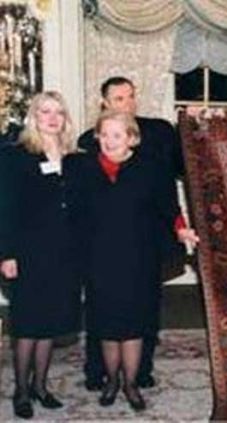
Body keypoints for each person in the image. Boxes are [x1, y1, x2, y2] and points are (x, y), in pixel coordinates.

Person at [72, 110, 198, 410]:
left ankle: (130, 383)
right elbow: (73, 212)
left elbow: (169, 206)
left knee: (134, 323)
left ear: (131, 138)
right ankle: (111, 381)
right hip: (99, 260)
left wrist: (182, 230)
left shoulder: (150, 167)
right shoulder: (84, 168)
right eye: (104, 135)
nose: (109, 141)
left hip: (139, 258)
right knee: (106, 324)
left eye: (117, 135)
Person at [0, 92, 82, 419]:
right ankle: (21, 391)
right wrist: (6, 254)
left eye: (58, 112)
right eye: (45, 112)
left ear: (65, 119)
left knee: (49, 324)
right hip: (27, 252)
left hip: (64, 253)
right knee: (28, 325)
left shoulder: (75, 158)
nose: (52, 118)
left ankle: (41, 387)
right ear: (33, 117)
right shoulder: (15, 156)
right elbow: (5, 209)